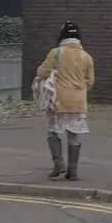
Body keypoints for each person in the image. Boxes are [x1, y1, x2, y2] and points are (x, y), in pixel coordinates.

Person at [35, 22, 95, 180]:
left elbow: (42, 72)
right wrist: (80, 91)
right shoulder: (87, 57)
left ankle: (58, 164)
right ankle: (73, 172)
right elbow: (90, 81)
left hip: (58, 100)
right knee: (73, 136)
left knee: (52, 132)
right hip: (78, 101)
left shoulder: (56, 53)